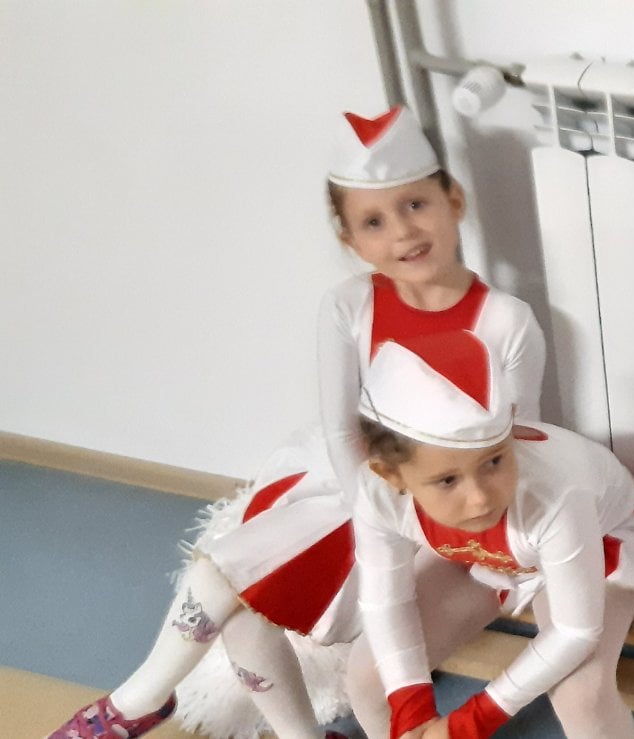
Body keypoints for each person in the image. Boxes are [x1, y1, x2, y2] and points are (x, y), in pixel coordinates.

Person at [46, 105, 545, 739]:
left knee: (235, 578)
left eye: (416, 205)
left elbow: (514, 448)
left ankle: (136, 703)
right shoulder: (348, 305)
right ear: (350, 239)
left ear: (453, 201)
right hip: (363, 491)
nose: (402, 232)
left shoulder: (506, 320)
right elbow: (341, 431)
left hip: (448, 519)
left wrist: (404, 528)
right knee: (239, 599)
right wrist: (369, 510)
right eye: (374, 221)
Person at [348, 330, 634, 739]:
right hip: (493, 555)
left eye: (495, 460)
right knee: (367, 677)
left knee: (581, 697)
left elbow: (574, 631)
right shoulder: (377, 492)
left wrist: (469, 723)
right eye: (447, 481)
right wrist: (411, 711)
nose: (479, 498)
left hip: (600, 545)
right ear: (391, 474)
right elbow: (384, 600)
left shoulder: (557, 492)